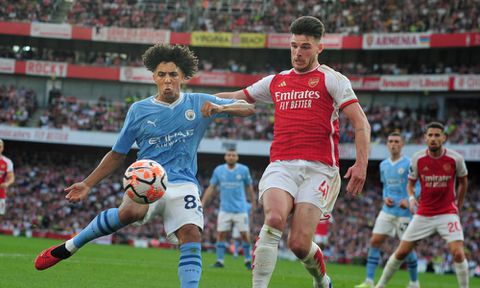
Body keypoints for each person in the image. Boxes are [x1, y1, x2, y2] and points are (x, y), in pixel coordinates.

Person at [34, 44, 255, 288]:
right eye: (162, 74)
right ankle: (70, 246)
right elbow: (117, 154)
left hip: (183, 182)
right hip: (147, 179)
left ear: (182, 76)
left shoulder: (199, 102)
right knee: (130, 212)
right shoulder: (139, 110)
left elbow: (248, 108)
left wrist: (221, 107)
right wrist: (87, 183)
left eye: (173, 74)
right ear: (154, 78)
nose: (168, 80)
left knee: (191, 234)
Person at [216, 16, 371, 288]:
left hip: (320, 169)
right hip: (282, 165)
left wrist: (361, 164)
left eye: (306, 47)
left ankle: (322, 280)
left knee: (299, 244)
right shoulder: (277, 81)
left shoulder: (332, 80)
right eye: (294, 46)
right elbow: (238, 96)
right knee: (274, 219)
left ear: (319, 48)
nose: (298, 53)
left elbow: (361, 123)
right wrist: (196, 99)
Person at [375, 122, 469, 288]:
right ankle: (380, 285)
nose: (433, 139)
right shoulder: (418, 159)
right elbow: (410, 184)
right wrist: (411, 198)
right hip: (423, 214)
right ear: (425, 138)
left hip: (447, 213)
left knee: (458, 253)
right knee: (402, 251)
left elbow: (463, 182)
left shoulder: (456, 159)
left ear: (444, 138)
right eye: (430, 135)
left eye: (437, 135)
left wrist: (458, 205)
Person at [355, 132, 419, 288]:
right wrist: (384, 198)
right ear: (387, 144)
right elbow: (385, 187)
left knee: (407, 249)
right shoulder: (383, 165)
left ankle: (414, 282)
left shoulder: (409, 163)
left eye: (397, 141)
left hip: (404, 213)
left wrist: (410, 199)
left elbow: (418, 186)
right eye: (390, 141)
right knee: (375, 241)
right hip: (387, 210)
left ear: (402, 144)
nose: (393, 144)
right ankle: (369, 281)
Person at [201, 148, 255, 269]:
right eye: (229, 155)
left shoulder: (243, 170)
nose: (231, 157)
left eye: (233, 155)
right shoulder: (219, 170)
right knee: (221, 234)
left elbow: (249, 187)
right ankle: (220, 261)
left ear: (237, 157)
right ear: (225, 157)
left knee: (244, 235)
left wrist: (253, 202)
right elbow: (211, 187)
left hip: (240, 209)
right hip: (224, 209)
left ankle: (247, 260)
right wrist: (203, 201)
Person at [0, 139, 15, 224]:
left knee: (0, 215)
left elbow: (11, 178)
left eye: (0, 147)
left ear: (2, 148)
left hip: (0, 193)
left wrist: (7, 183)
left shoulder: (7, 162)